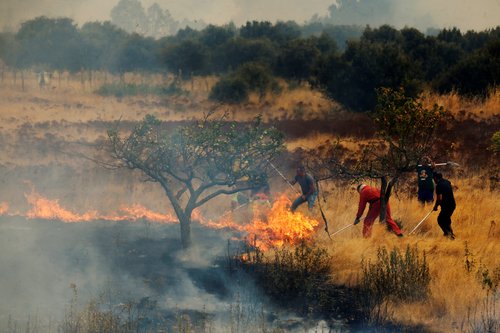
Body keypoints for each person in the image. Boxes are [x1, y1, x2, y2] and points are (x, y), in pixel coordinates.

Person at [433, 172, 456, 239]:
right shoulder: (447, 181)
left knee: (440, 220)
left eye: (434, 179)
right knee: (447, 219)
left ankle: (448, 234)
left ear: (435, 178)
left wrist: (436, 206)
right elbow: (454, 186)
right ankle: (451, 233)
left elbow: (439, 199)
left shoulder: (439, 186)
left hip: (446, 206)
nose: (434, 181)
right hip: (453, 204)